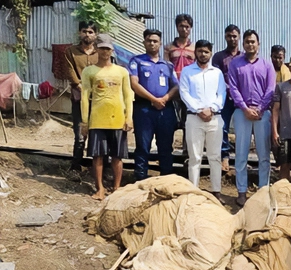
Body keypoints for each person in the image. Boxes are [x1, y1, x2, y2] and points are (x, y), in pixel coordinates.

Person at [79, 34, 133, 201]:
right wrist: (85, 122)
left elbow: (127, 95)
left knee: (117, 156)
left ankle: (117, 188)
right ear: (96, 49)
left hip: (117, 118)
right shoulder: (89, 71)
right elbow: (84, 97)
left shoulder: (122, 71)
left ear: (112, 50)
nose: (105, 51)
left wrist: (128, 117)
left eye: (108, 48)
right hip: (97, 119)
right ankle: (100, 189)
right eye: (102, 48)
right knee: (97, 156)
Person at [228, 30, 276, 207]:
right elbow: (233, 88)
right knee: (241, 154)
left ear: (258, 43)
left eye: (253, 42)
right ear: (243, 44)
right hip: (242, 113)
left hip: (263, 114)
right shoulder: (235, 64)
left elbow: (271, 89)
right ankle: (242, 192)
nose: (250, 44)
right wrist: (245, 108)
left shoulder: (267, 65)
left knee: (264, 155)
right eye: (247, 42)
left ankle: (263, 192)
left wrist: (261, 108)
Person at [178, 40, 227, 202]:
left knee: (215, 157)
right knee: (195, 157)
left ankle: (216, 192)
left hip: (215, 118)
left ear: (210, 53)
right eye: (200, 51)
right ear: (195, 53)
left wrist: (211, 109)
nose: (203, 54)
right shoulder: (187, 71)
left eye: (206, 51)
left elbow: (222, 94)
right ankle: (193, 191)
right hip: (194, 118)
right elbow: (184, 93)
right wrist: (200, 110)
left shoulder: (217, 73)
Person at [128, 29, 179, 182]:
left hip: (165, 109)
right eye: (149, 40)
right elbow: (134, 84)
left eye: (155, 41)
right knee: (143, 146)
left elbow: (176, 86)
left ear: (160, 43)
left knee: (165, 147)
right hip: (144, 109)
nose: (152, 43)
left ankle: (166, 180)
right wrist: (153, 99)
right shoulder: (136, 61)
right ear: (144, 42)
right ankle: (140, 179)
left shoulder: (168, 65)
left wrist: (164, 98)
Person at [64, 21, 99, 171]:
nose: (87, 34)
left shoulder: (101, 52)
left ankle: (97, 167)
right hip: (79, 98)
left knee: (98, 133)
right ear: (79, 33)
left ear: (95, 35)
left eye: (91, 32)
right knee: (80, 134)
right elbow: (70, 72)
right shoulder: (71, 51)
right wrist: (82, 87)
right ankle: (75, 167)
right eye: (85, 31)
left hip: (99, 100)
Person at [212, 24, 242, 172]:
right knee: (222, 128)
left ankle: (241, 157)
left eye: (234, 36)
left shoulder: (244, 57)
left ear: (239, 37)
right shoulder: (218, 57)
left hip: (241, 99)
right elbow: (216, 77)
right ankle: (224, 156)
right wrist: (230, 88)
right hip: (224, 98)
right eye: (229, 36)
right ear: (225, 37)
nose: (232, 39)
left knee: (241, 129)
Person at [164, 13, 196, 78]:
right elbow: (166, 66)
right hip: (174, 82)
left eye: (187, 27)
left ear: (190, 28)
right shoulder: (169, 47)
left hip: (190, 80)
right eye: (181, 26)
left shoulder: (194, 48)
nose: (184, 29)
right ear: (177, 27)